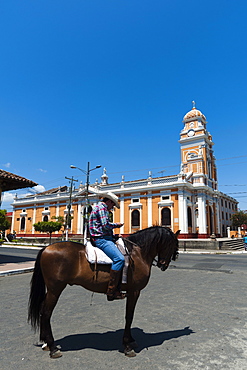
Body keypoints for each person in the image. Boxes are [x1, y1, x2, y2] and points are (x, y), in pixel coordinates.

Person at [89, 192, 126, 301]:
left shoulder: (99, 208)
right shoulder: (102, 208)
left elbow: (101, 226)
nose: (112, 207)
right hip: (101, 240)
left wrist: (114, 235)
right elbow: (105, 225)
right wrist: (117, 225)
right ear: (109, 201)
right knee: (119, 259)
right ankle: (111, 290)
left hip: (104, 237)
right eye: (113, 205)